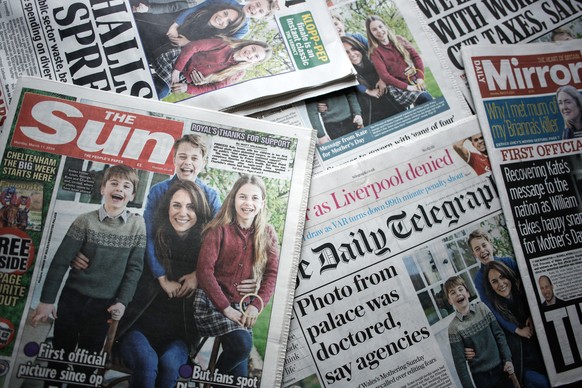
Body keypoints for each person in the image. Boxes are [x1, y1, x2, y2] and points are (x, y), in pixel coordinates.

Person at [30, 165, 146, 387]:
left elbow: (135, 269)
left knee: (88, 358)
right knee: (60, 353)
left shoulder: (137, 226)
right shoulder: (85, 221)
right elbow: (60, 262)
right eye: (113, 183)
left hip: (103, 304)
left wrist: (122, 302)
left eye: (126, 186)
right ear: (103, 188)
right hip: (72, 297)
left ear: (131, 195)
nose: (119, 189)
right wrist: (46, 302)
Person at [117, 180, 211, 388]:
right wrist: (81, 254)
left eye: (191, 207)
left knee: (169, 366)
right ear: (167, 207)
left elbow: (232, 269)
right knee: (146, 362)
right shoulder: (149, 242)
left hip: (179, 339)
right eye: (176, 205)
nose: (183, 213)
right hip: (137, 330)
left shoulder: (206, 253)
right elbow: (116, 257)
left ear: (200, 211)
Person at [194, 174, 279, 379]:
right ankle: (212, 379)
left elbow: (272, 273)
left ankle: (215, 381)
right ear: (233, 199)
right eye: (243, 197)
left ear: (262, 203)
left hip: (241, 307)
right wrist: (225, 308)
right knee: (242, 346)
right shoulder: (219, 230)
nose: (248, 203)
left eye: (254, 198)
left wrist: (255, 306)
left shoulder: (267, 233)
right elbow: (204, 271)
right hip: (211, 304)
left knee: (238, 377)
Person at [133, 0, 276, 61]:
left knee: (151, 49)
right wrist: (177, 23)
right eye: (257, 3)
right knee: (144, 24)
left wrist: (189, 43)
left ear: (261, 17)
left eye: (260, 10)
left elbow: (217, 43)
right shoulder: (231, 2)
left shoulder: (243, 30)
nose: (255, 8)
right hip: (182, 19)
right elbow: (198, 5)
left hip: (188, 39)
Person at [485, 261, 551, 387]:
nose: (500, 284)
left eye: (502, 276)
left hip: (547, 358)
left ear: (508, 275)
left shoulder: (527, 295)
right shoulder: (497, 315)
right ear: (490, 287)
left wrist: (534, 314)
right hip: (526, 367)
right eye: (494, 281)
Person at [445, 275, 515, 388]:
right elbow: (460, 364)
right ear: (449, 301)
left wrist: (507, 359)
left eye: (460, 289)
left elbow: (499, 335)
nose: (458, 294)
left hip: (501, 368)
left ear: (467, 293)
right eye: (452, 293)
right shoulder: (454, 328)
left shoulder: (482, 308)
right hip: (481, 378)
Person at [153, 37, 272, 98]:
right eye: (253, 48)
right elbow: (194, 46)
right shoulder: (225, 44)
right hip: (176, 61)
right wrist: (177, 70)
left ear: (256, 62)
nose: (250, 53)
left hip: (183, 80)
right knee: (162, 89)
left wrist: (187, 88)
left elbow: (214, 87)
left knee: (161, 91)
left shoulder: (237, 74)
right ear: (250, 44)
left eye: (256, 56)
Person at [366, 15, 433, 108]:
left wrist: (420, 78)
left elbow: (416, 57)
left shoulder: (399, 40)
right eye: (374, 29)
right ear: (371, 33)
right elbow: (384, 76)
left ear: (385, 26)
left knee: (427, 103)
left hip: (412, 80)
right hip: (397, 87)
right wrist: (408, 87)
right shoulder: (375, 52)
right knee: (426, 98)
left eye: (380, 26)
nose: (379, 31)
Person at [341, 35, 404, 125]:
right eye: (346, 52)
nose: (352, 54)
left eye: (354, 49)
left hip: (390, 97)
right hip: (371, 107)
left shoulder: (373, 58)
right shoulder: (347, 72)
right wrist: (368, 91)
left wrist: (382, 78)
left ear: (359, 48)